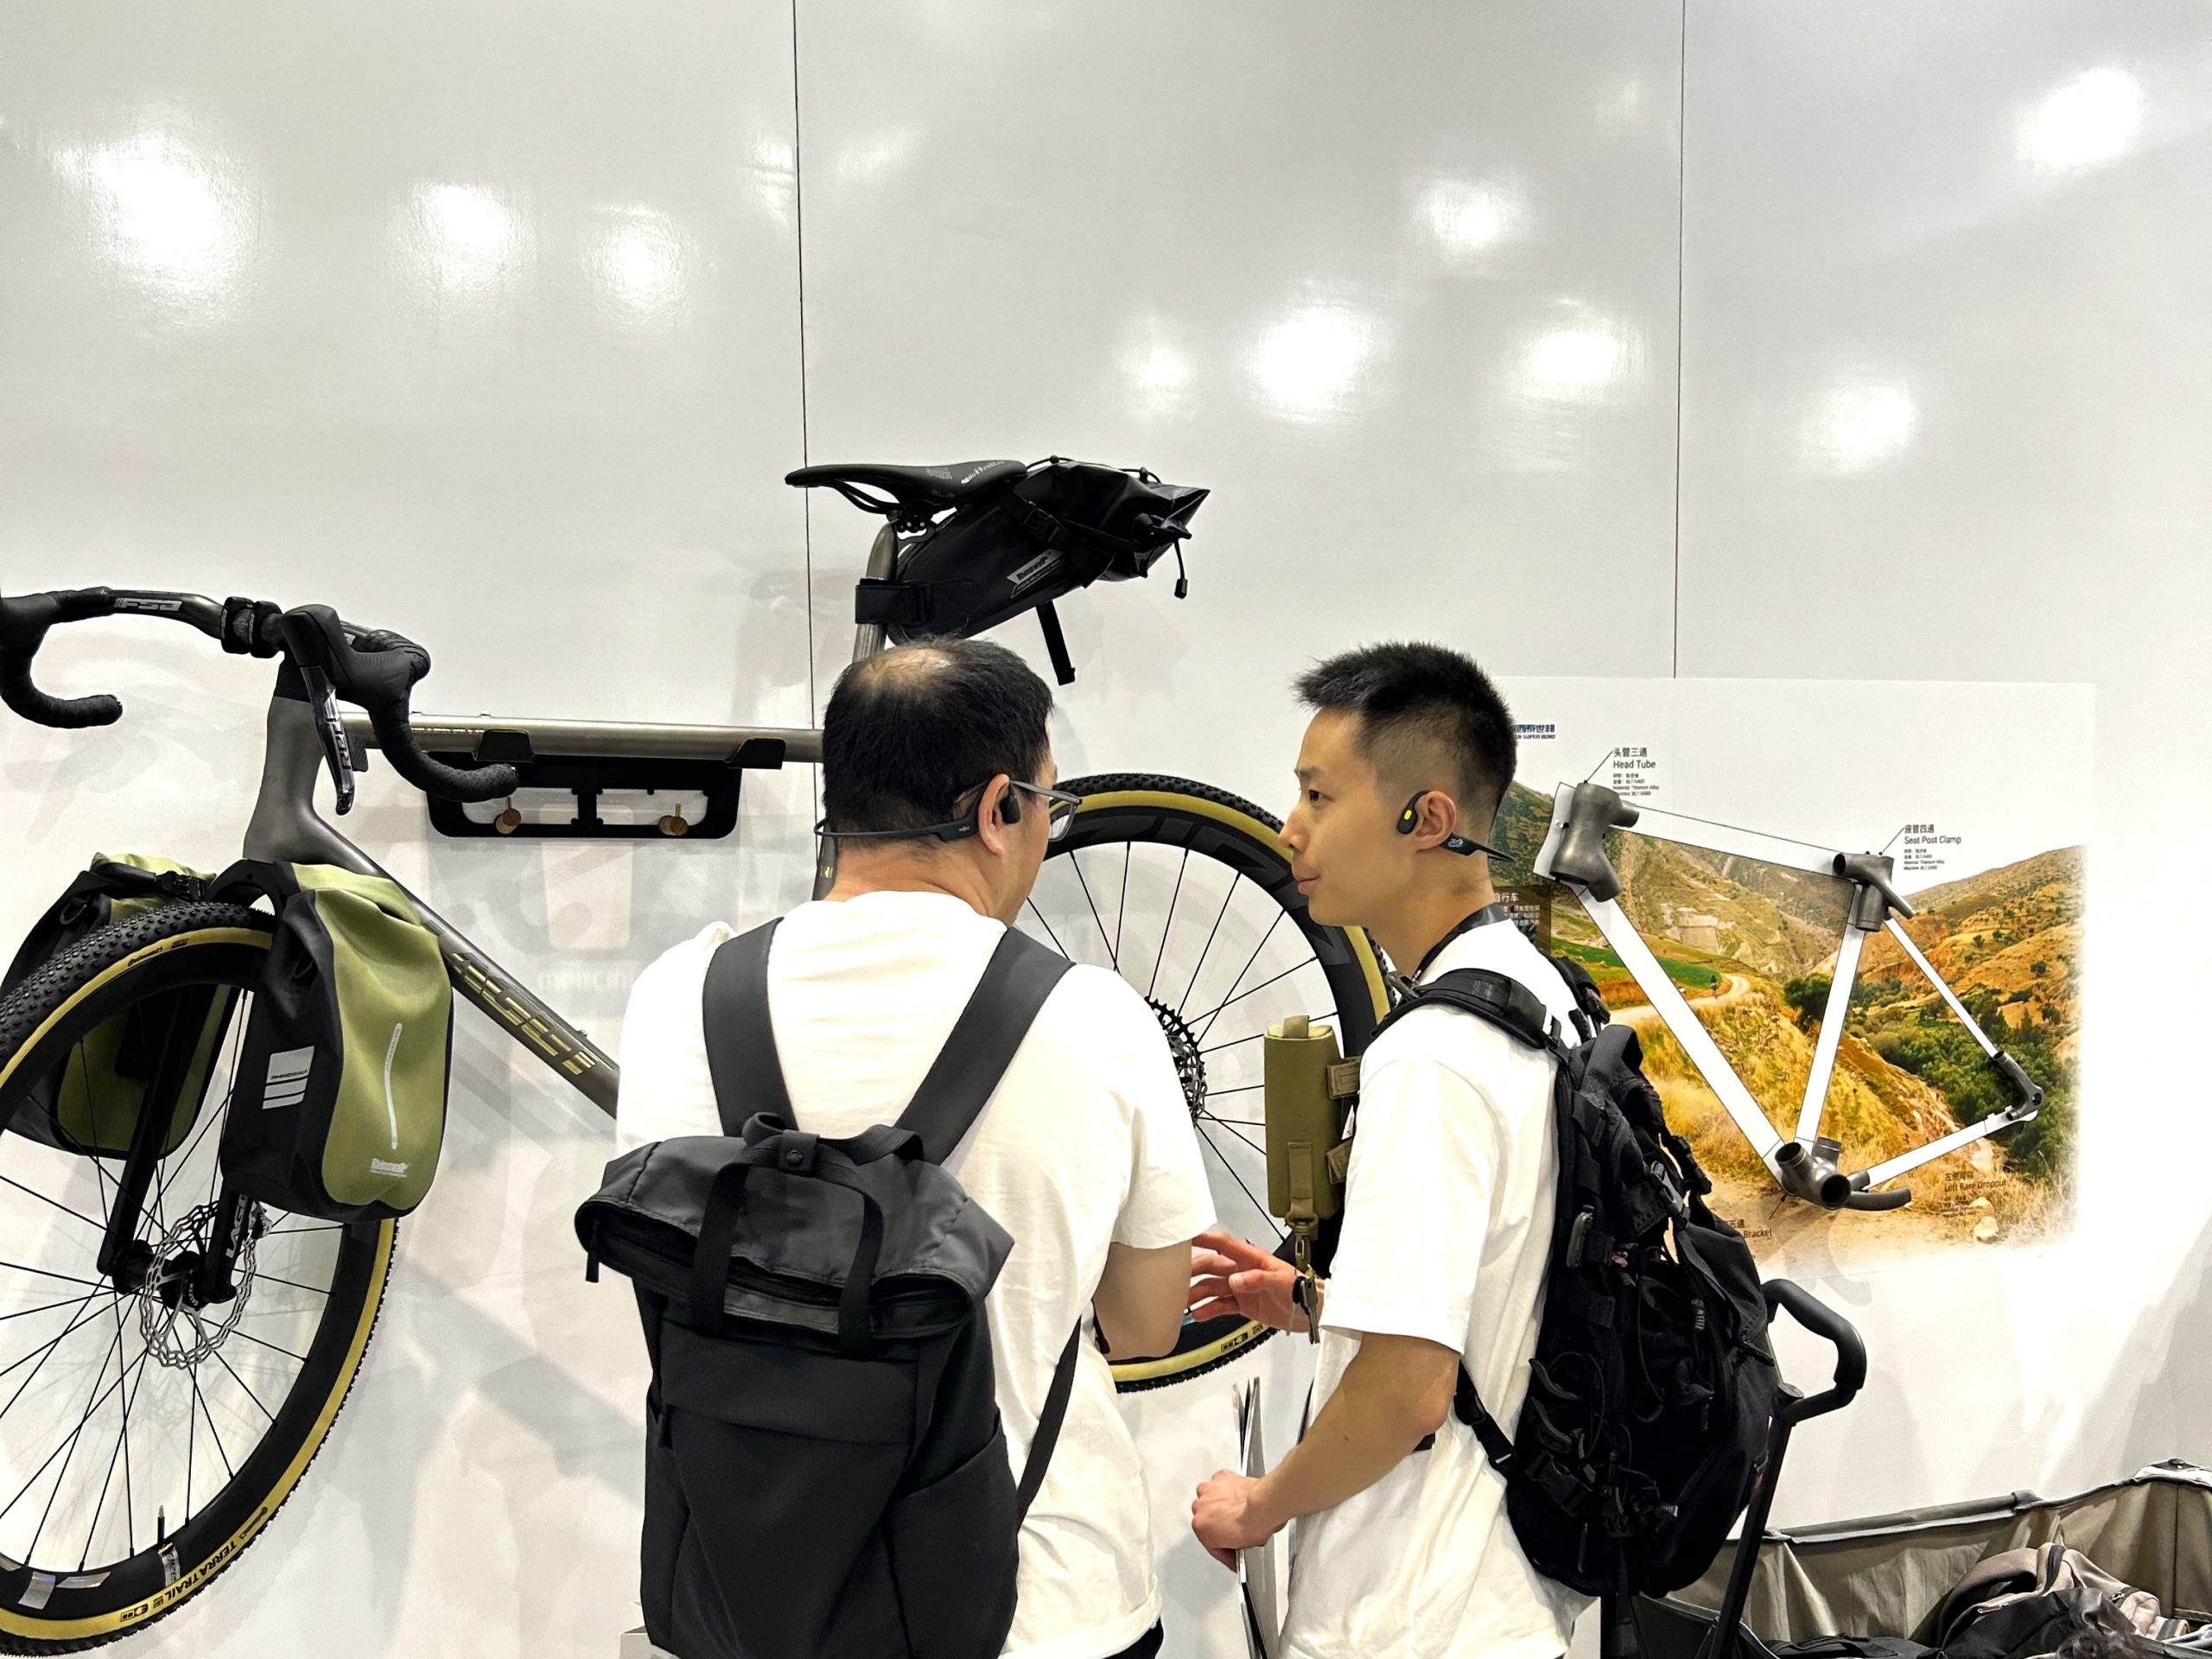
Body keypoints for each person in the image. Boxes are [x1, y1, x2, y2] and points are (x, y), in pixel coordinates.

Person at [615, 639, 1213, 1659]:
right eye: (1048, 804)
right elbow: (1148, 1324)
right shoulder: (1097, 1019)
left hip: (751, 1602)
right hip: (1037, 1606)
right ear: (999, 808)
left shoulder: (683, 994)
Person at [1187, 641, 1590, 1659]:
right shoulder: (1541, 996)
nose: (1291, 828)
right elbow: (1504, 1287)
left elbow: (1406, 1391)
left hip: (1414, 1614)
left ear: (1427, 818)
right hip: (1501, 1591)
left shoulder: (1431, 1055)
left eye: (1319, 796)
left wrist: (1257, 1506)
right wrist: (1319, 1303)